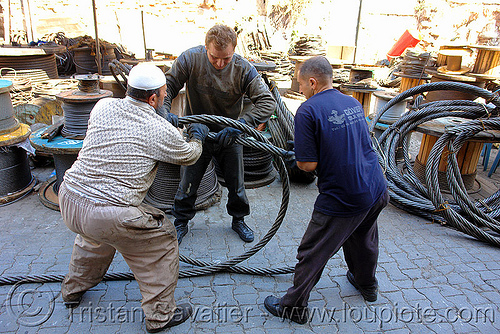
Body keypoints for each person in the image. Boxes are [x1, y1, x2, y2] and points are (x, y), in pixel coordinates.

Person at [58, 62, 210, 333]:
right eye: (164, 95)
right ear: (154, 98)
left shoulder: (103, 106)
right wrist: (198, 136)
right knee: (161, 242)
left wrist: (162, 121)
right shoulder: (158, 130)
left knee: (95, 239)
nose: (166, 99)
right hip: (109, 212)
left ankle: (72, 290)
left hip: (70, 199)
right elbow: (189, 155)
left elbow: (132, 130)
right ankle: (160, 316)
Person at [264, 56, 389, 324]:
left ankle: (293, 307)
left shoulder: (307, 111)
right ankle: (367, 286)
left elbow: (307, 165)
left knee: (313, 250)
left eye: (300, 85)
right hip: (376, 188)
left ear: (312, 81)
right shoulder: (353, 102)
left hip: (343, 196)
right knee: (364, 239)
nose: (299, 90)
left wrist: (297, 156)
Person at [163, 24, 276, 244]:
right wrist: (165, 114)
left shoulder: (243, 69)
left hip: (230, 133)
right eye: (215, 57)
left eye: (227, 58)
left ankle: (238, 220)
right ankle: (181, 223)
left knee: (237, 184)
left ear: (234, 50)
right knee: (188, 183)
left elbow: (267, 102)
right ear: (206, 47)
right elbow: (167, 86)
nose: (220, 63)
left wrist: (242, 124)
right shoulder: (190, 59)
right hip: (198, 133)